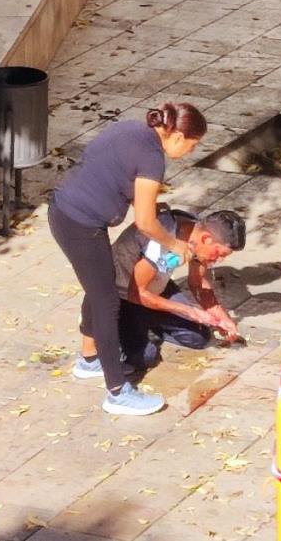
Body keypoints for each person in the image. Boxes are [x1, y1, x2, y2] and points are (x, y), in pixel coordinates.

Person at [48, 102, 207, 416]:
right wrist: (174, 244)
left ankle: (90, 360)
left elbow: (108, 167)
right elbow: (146, 222)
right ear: (176, 136)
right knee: (107, 300)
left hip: (64, 210)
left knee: (99, 285)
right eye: (192, 145)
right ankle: (117, 392)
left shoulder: (131, 128)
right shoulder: (152, 159)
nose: (190, 152)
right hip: (80, 223)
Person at [71, 208, 246, 380]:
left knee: (198, 337)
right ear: (207, 239)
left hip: (156, 286)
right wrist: (188, 311)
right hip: (125, 293)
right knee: (145, 357)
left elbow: (197, 281)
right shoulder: (161, 242)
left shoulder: (195, 233)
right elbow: (137, 293)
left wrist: (219, 315)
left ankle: (147, 321)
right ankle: (111, 324)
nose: (219, 260)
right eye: (220, 254)